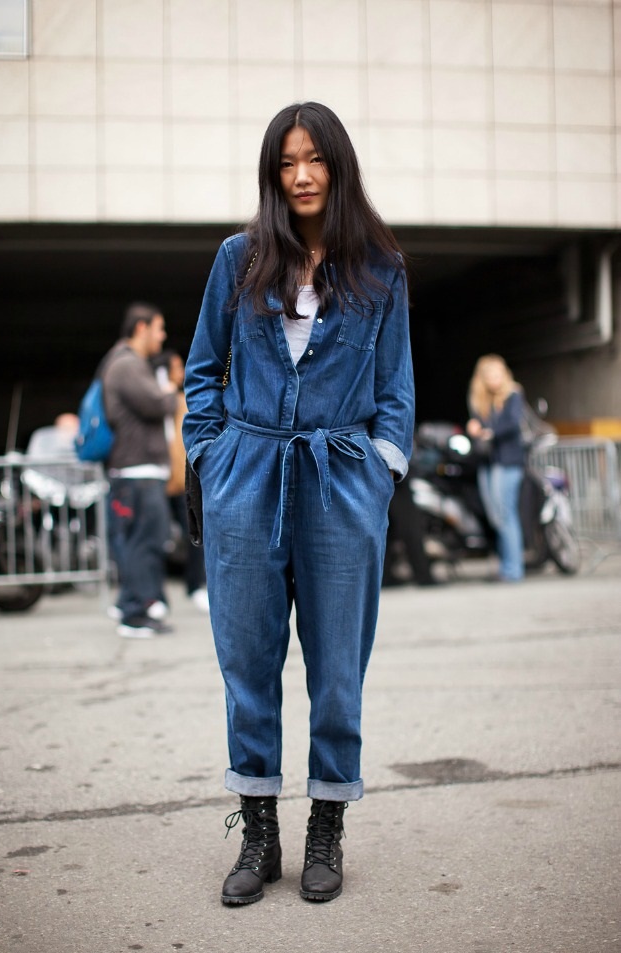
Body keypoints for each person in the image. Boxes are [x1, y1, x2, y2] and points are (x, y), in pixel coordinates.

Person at [183, 102, 415, 905]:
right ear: (271, 175)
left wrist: (379, 473)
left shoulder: (381, 270)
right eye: (286, 162)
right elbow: (201, 371)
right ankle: (258, 830)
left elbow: (396, 391)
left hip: (341, 481)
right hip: (245, 479)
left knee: (337, 670)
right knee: (247, 661)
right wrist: (212, 460)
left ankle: (327, 825)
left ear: (338, 167)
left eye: (314, 159)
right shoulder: (237, 260)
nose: (302, 175)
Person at [102, 302, 178, 638]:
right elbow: (157, 404)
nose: (162, 337)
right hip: (137, 471)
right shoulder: (127, 364)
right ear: (141, 328)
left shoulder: (127, 363)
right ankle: (135, 615)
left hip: (138, 472)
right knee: (142, 543)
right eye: (159, 329)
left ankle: (131, 604)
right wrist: (171, 391)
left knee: (139, 541)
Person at [152, 349, 209, 613]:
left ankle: (195, 585)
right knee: (155, 539)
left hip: (178, 480)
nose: (181, 372)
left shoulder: (184, 399)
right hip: (158, 478)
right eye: (175, 367)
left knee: (194, 534)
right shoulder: (159, 399)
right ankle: (155, 596)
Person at [466, 354, 526, 582]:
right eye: (490, 375)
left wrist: (489, 432)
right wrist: (475, 427)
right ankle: (506, 566)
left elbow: (511, 423)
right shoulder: (479, 399)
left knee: (505, 513)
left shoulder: (513, 393)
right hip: (488, 462)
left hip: (507, 462)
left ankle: (513, 570)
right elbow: (479, 425)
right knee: (495, 515)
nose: (495, 380)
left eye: (498, 374)